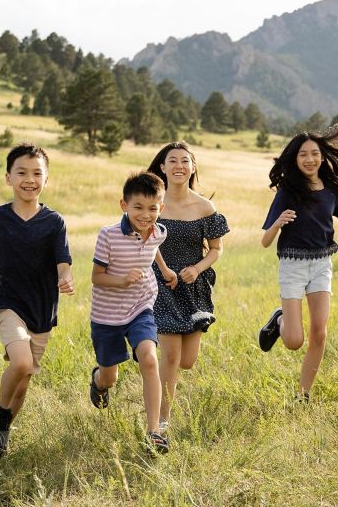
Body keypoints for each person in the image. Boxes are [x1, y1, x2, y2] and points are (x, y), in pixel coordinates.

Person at [0, 143, 74, 456]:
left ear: (46, 180)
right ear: (8, 177)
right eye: (21, 172)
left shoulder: (54, 222)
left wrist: (65, 276)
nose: (29, 179)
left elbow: (63, 261)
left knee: (23, 382)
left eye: (37, 173)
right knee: (21, 363)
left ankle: (0, 437)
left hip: (43, 309)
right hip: (7, 303)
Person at [257, 124, 338, 401]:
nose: (310, 159)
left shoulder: (331, 191)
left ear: (322, 157)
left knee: (319, 332)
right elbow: (265, 241)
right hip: (292, 264)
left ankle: (304, 394)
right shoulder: (287, 191)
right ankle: (279, 320)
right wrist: (278, 223)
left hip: (321, 264)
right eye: (303, 154)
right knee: (293, 341)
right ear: (295, 159)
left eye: (315, 153)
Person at [89, 171, 178, 454]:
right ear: (124, 205)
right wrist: (122, 280)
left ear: (161, 208)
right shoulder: (109, 236)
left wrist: (163, 270)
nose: (146, 214)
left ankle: (154, 432)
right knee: (109, 378)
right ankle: (98, 382)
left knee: (150, 360)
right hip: (107, 316)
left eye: (153, 208)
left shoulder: (159, 231)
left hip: (141, 307)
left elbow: (154, 247)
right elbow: (96, 277)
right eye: (138, 207)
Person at [146, 142, 229, 434]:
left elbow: (216, 250)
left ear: (192, 167)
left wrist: (197, 268)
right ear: (163, 167)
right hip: (161, 283)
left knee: (187, 361)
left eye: (185, 161)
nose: (179, 166)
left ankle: (155, 383)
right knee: (169, 356)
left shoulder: (205, 207)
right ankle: (160, 422)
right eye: (173, 160)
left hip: (194, 287)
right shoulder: (154, 203)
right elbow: (142, 238)